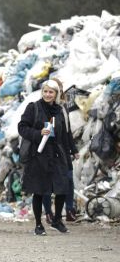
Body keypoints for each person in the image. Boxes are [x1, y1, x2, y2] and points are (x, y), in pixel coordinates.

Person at [18, 79, 72, 235]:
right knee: (39, 190)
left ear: (56, 94)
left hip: (57, 154)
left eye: (51, 92)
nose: (48, 95)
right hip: (38, 154)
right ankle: (38, 224)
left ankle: (56, 221)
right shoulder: (33, 107)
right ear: (42, 92)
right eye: (46, 91)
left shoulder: (60, 110)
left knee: (62, 187)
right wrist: (38, 133)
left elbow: (65, 135)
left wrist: (68, 154)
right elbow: (22, 127)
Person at [41, 78, 79, 224]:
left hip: (63, 151)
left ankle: (69, 210)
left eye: (55, 89)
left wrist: (74, 149)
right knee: (47, 183)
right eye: (47, 90)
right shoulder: (44, 108)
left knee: (68, 179)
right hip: (49, 151)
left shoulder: (62, 108)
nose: (51, 93)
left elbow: (67, 132)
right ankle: (49, 213)